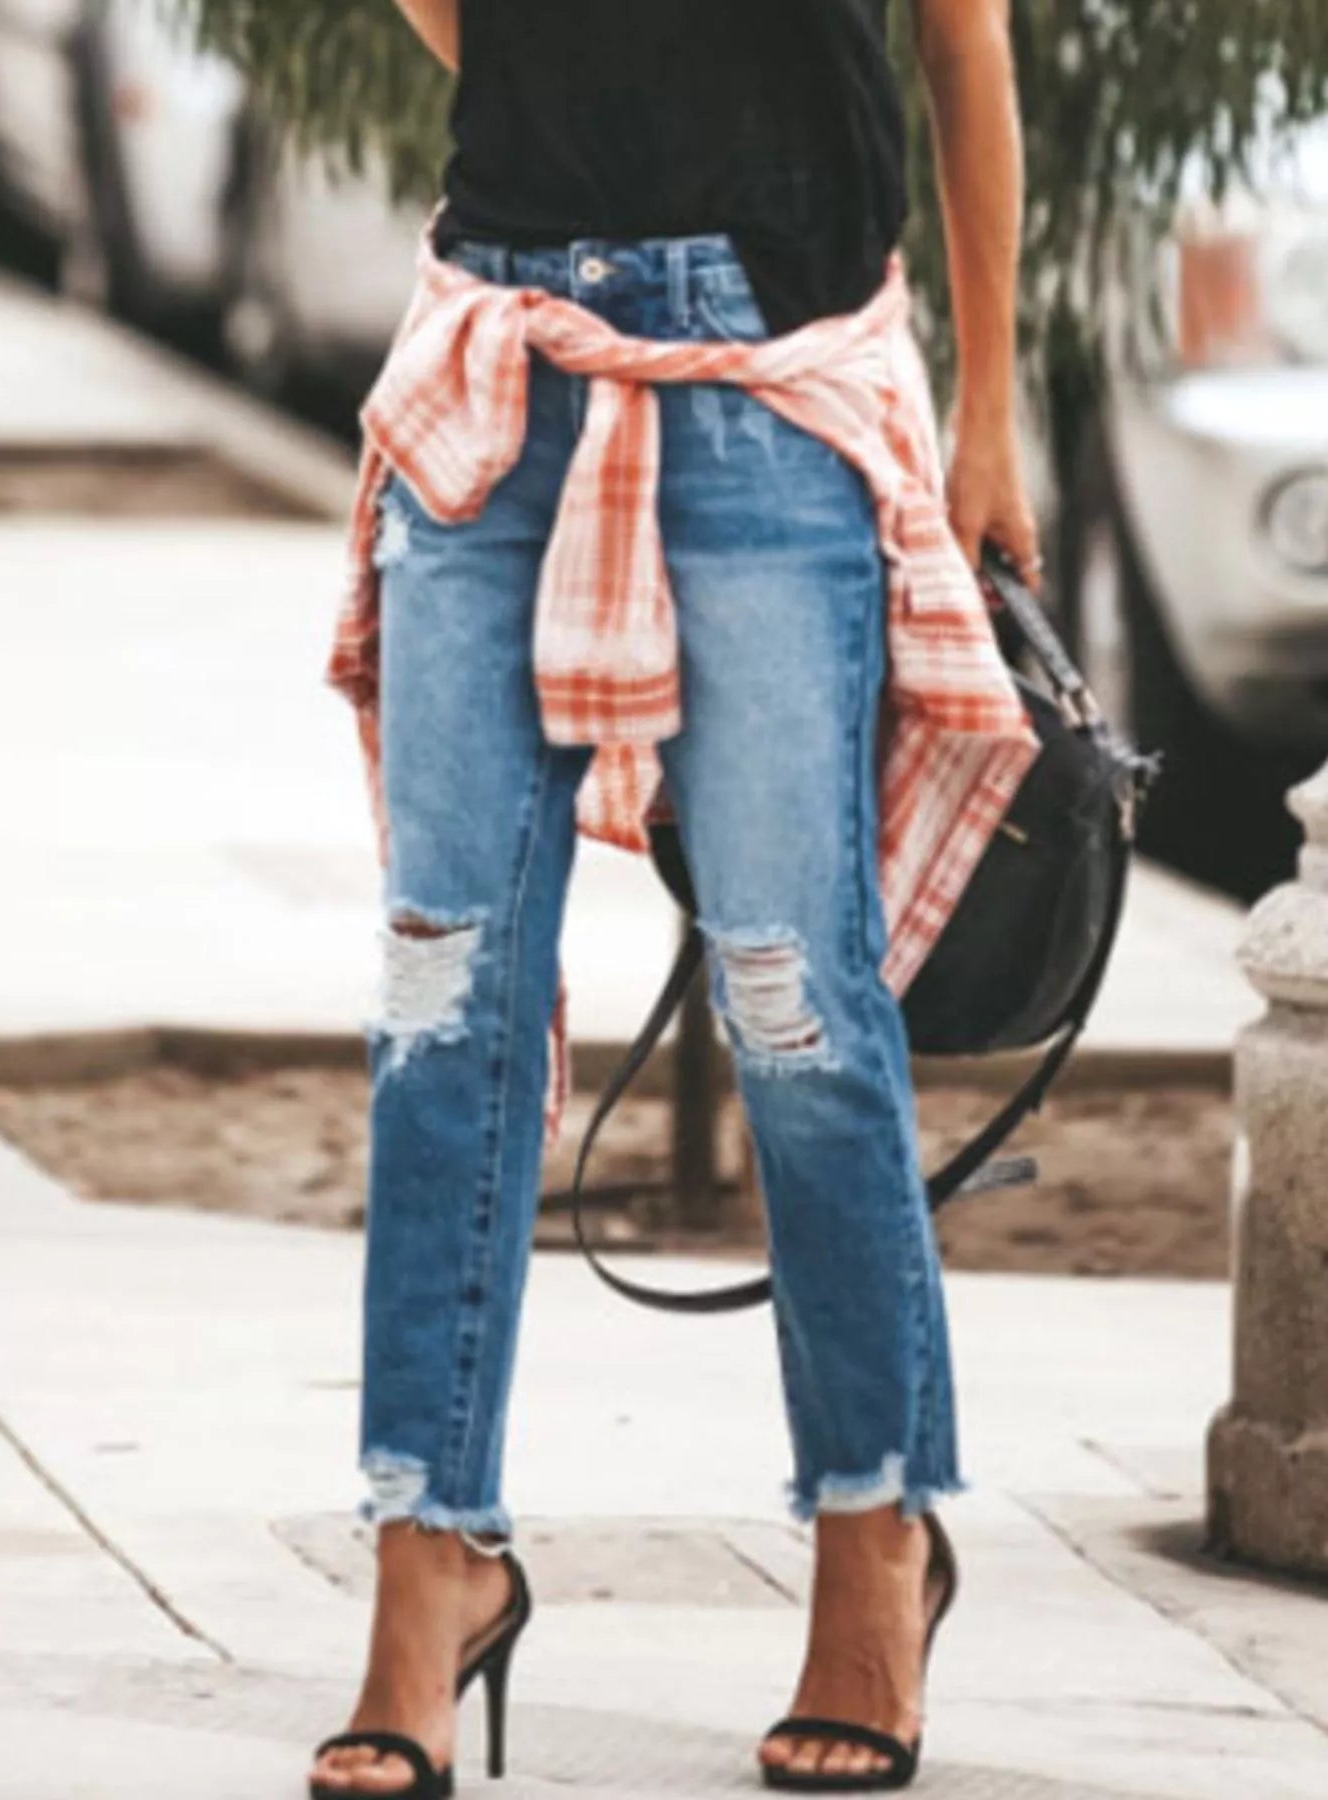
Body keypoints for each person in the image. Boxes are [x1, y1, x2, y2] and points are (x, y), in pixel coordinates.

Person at [310, 1, 1041, 1794]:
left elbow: (961, 37)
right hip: (497, 352)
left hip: (773, 383)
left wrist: (990, 412)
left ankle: (876, 1529)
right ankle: (432, 1564)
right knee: (439, 1002)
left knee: (795, 1004)